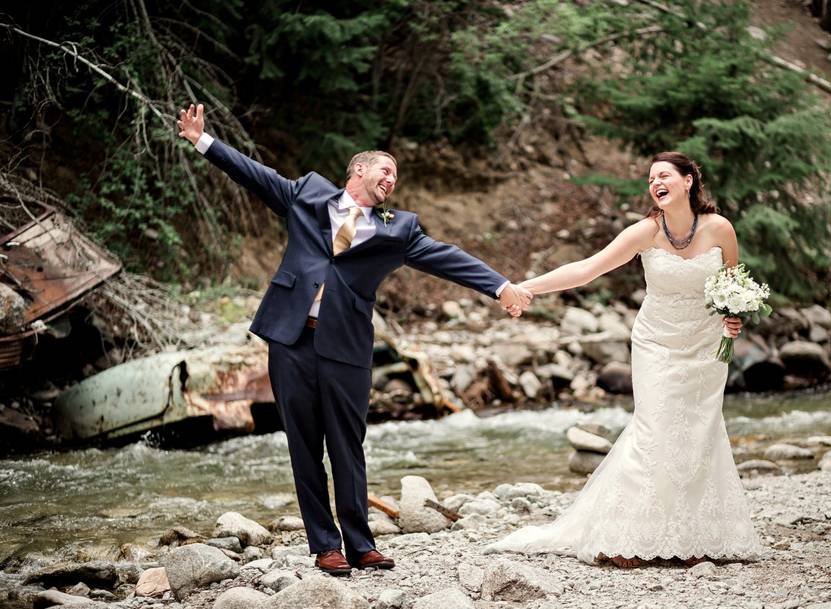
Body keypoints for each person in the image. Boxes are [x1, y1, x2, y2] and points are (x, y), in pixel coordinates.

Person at [176, 103, 531, 576]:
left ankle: (360, 543)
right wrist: (204, 141)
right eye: (386, 169)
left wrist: (500, 285)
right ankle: (325, 545)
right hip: (290, 340)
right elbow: (256, 176)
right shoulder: (307, 194)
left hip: (346, 347)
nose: (392, 179)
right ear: (358, 170)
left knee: (348, 445)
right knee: (303, 445)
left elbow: (448, 257)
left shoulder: (398, 228)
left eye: (397, 176)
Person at [485, 151, 762, 567]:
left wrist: (733, 318)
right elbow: (586, 270)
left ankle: (691, 539)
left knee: (699, 433)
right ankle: (624, 537)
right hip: (657, 344)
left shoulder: (720, 229)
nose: (655, 183)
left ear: (689, 181)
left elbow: (729, 288)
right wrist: (523, 288)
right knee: (654, 430)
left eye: (664, 175)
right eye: (651, 179)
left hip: (705, 347)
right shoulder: (646, 232)